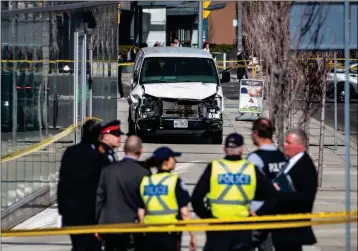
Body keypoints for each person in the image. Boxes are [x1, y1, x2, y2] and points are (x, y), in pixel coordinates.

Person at [192, 133, 279, 251]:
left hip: (218, 226)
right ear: (242, 150)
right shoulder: (250, 169)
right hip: (242, 227)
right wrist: (259, 213)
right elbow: (273, 195)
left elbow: (196, 198)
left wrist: (207, 216)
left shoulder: (214, 167)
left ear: (224, 149)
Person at [57, 119, 105, 251]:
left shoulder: (70, 152)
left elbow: (63, 183)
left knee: (78, 245)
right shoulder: (98, 156)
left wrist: (62, 209)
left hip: (72, 212)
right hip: (91, 213)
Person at [96, 135, 150, 251]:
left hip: (109, 225)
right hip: (132, 228)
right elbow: (147, 202)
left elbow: (99, 199)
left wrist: (95, 225)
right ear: (140, 150)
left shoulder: (108, 170)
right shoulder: (144, 173)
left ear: (125, 149)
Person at [138, 147, 197, 251]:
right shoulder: (174, 182)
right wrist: (192, 235)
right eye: (173, 158)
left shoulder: (146, 181)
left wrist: (142, 232)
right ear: (166, 162)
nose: (175, 161)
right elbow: (185, 213)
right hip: (169, 235)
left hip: (149, 234)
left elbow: (141, 212)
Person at [271, 128, 318, 251]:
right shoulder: (291, 162)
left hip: (291, 229)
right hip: (281, 226)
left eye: (288, 143)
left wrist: (278, 193)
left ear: (300, 145)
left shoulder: (305, 166)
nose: (284, 145)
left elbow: (306, 197)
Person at [246, 118, 288, 251]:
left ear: (256, 133)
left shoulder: (254, 158)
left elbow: (246, 187)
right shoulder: (282, 157)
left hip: (255, 214)